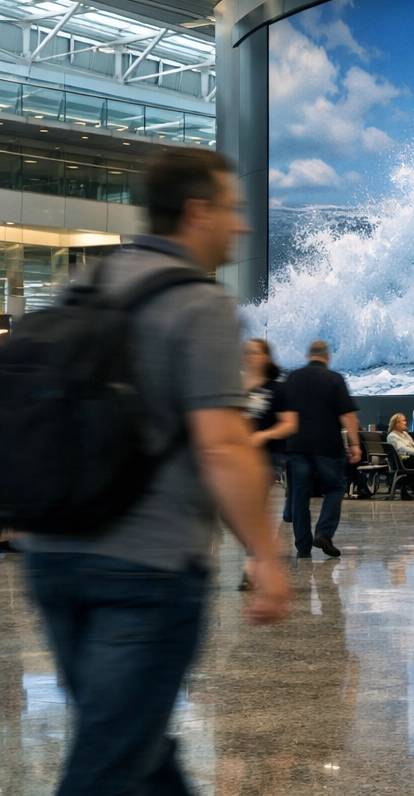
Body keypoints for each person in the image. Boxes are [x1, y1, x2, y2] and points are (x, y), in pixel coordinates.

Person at [23, 148, 290, 793]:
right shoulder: (200, 304)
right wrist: (265, 554)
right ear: (197, 211)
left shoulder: (87, 282)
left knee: (132, 748)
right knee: (110, 767)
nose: (242, 227)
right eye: (232, 210)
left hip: (53, 555)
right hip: (145, 573)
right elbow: (222, 446)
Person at [283, 340, 361, 558]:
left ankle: (303, 547)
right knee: (334, 489)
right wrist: (354, 444)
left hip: (297, 446)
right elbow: (348, 415)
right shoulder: (335, 379)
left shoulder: (292, 377)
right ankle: (324, 533)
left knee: (300, 496)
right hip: (328, 446)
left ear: (309, 356)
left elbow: (283, 413)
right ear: (327, 357)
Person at [240, 337, 297, 588]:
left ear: (266, 358)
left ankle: (251, 568)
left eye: (253, 352)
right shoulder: (240, 388)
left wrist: (263, 434)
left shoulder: (277, 390)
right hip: (241, 457)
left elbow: (289, 424)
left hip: (267, 457)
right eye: (246, 353)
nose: (248, 357)